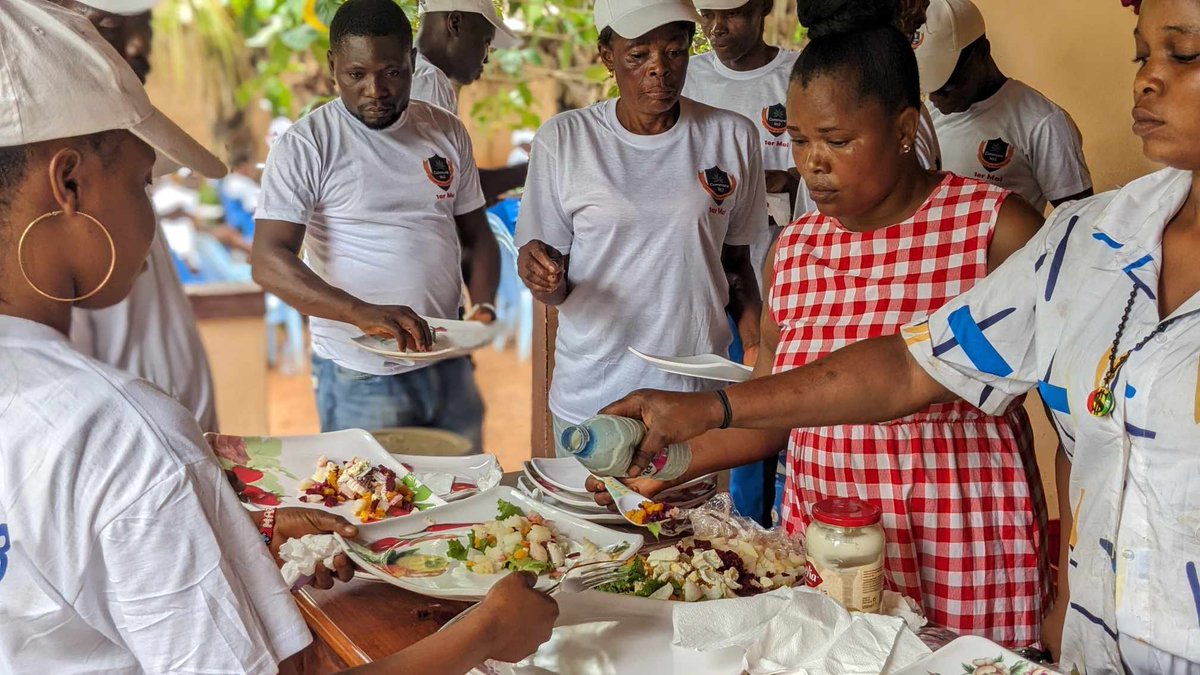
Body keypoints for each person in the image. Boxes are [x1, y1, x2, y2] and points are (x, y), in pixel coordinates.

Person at [598, 0, 1200, 669]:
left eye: (838, 139)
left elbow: (1067, 430)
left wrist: (1060, 584)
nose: (815, 163)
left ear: (905, 128)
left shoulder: (997, 229)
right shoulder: (795, 252)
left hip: (969, 551)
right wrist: (667, 461)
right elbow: (802, 402)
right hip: (834, 553)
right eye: (799, 142)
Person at [0, 4, 557, 672]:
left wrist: (243, 532)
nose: (149, 219)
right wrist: (487, 635)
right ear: (69, 183)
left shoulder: (44, 403)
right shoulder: (122, 435)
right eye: (144, 182)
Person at [516, 0, 766, 455]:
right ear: (607, 55)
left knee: (694, 527)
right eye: (639, 56)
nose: (660, 70)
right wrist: (541, 278)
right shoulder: (566, 140)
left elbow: (735, 263)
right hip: (596, 394)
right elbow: (553, 282)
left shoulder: (732, 136)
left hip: (694, 400)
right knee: (585, 526)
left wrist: (755, 347)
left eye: (675, 51)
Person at [253, 0, 500, 449]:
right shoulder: (307, 145)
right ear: (333, 66)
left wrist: (484, 307)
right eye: (356, 74)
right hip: (361, 376)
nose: (375, 90)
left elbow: (476, 236)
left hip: (446, 359)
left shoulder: (445, 131)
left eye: (391, 72)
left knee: (465, 501)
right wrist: (360, 313)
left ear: (411, 61)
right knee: (374, 505)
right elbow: (269, 260)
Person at [57, 0, 219, 432]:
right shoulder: (62, 229)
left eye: (145, 27)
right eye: (111, 26)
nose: (139, 44)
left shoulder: (118, 176)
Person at [914, 0, 1093, 212]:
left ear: (982, 52)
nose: (935, 96)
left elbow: (1078, 222)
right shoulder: (925, 116)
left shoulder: (1043, 123)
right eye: (928, 83)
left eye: (947, 83)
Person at [413, 0, 526, 204]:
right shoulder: (428, 81)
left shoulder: (415, 73)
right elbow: (440, 185)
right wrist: (536, 167)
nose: (486, 59)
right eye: (485, 42)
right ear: (455, 23)